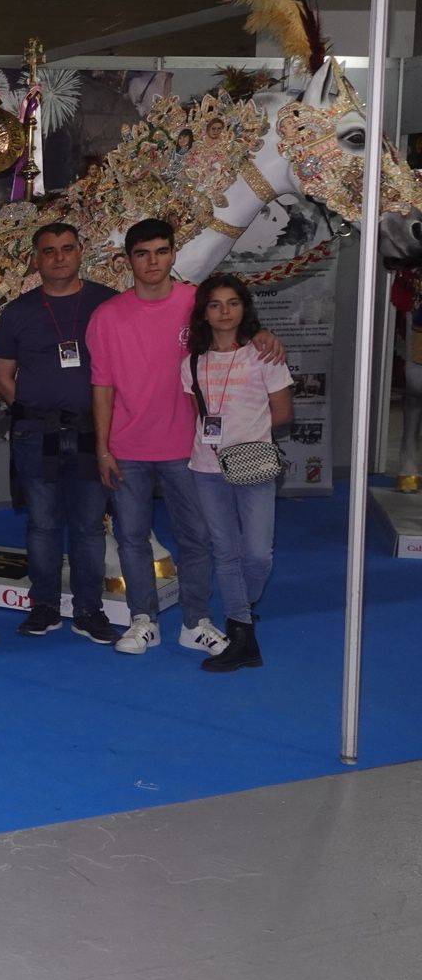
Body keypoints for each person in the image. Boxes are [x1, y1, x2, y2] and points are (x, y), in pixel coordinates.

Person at [88, 218, 282, 655]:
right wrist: (102, 448)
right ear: (129, 260)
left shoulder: (198, 303)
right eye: (142, 253)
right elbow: (102, 387)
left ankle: (196, 621)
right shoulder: (107, 317)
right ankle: (143, 621)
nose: (152, 261)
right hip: (128, 448)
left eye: (161, 251)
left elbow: (238, 332)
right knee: (132, 539)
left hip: (189, 451)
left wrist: (264, 335)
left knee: (197, 540)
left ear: (174, 253)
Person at [0, 223, 121, 644]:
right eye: (49, 251)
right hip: (36, 435)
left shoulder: (107, 303)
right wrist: (33, 410)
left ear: (81, 251)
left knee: (87, 526)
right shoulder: (18, 311)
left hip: (90, 432)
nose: (59, 257)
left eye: (67, 248)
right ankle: (44, 606)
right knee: (42, 525)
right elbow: (2, 375)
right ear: (35, 259)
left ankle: (88, 609)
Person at [182, 274, 292, 672]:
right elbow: (196, 415)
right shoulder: (192, 362)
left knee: (258, 554)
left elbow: (283, 414)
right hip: (206, 468)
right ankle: (242, 632)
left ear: (244, 308)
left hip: (254, 466)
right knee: (225, 552)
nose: (224, 311)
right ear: (204, 313)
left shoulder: (263, 355)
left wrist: (247, 437)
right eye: (215, 305)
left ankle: (242, 609)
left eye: (232, 303)